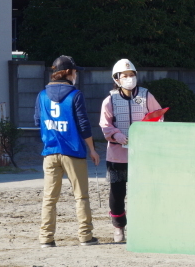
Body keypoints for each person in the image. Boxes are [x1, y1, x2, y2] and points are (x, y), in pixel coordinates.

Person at [35, 55, 99, 248]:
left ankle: (46, 238)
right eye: (74, 71)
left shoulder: (42, 95)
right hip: (73, 152)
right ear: (69, 72)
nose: (76, 74)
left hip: (50, 152)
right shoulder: (75, 95)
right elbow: (83, 126)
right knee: (81, 196)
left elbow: (37, 122)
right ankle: (85, 236)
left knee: (49, 198)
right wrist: (92, 149)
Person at [99, 59, 162, 243]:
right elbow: (105, 125)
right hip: (117, 155)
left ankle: (143, 225)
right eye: (124, 76)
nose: (129, 78)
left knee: (143, 191)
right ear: (117, 79)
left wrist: (148, 132)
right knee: (117, 194)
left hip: (141, 155)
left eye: (131, 75)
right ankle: (119, 228)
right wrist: (116, 135)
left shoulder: (146, 95)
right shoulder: (109, 100)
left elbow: (158, 115)